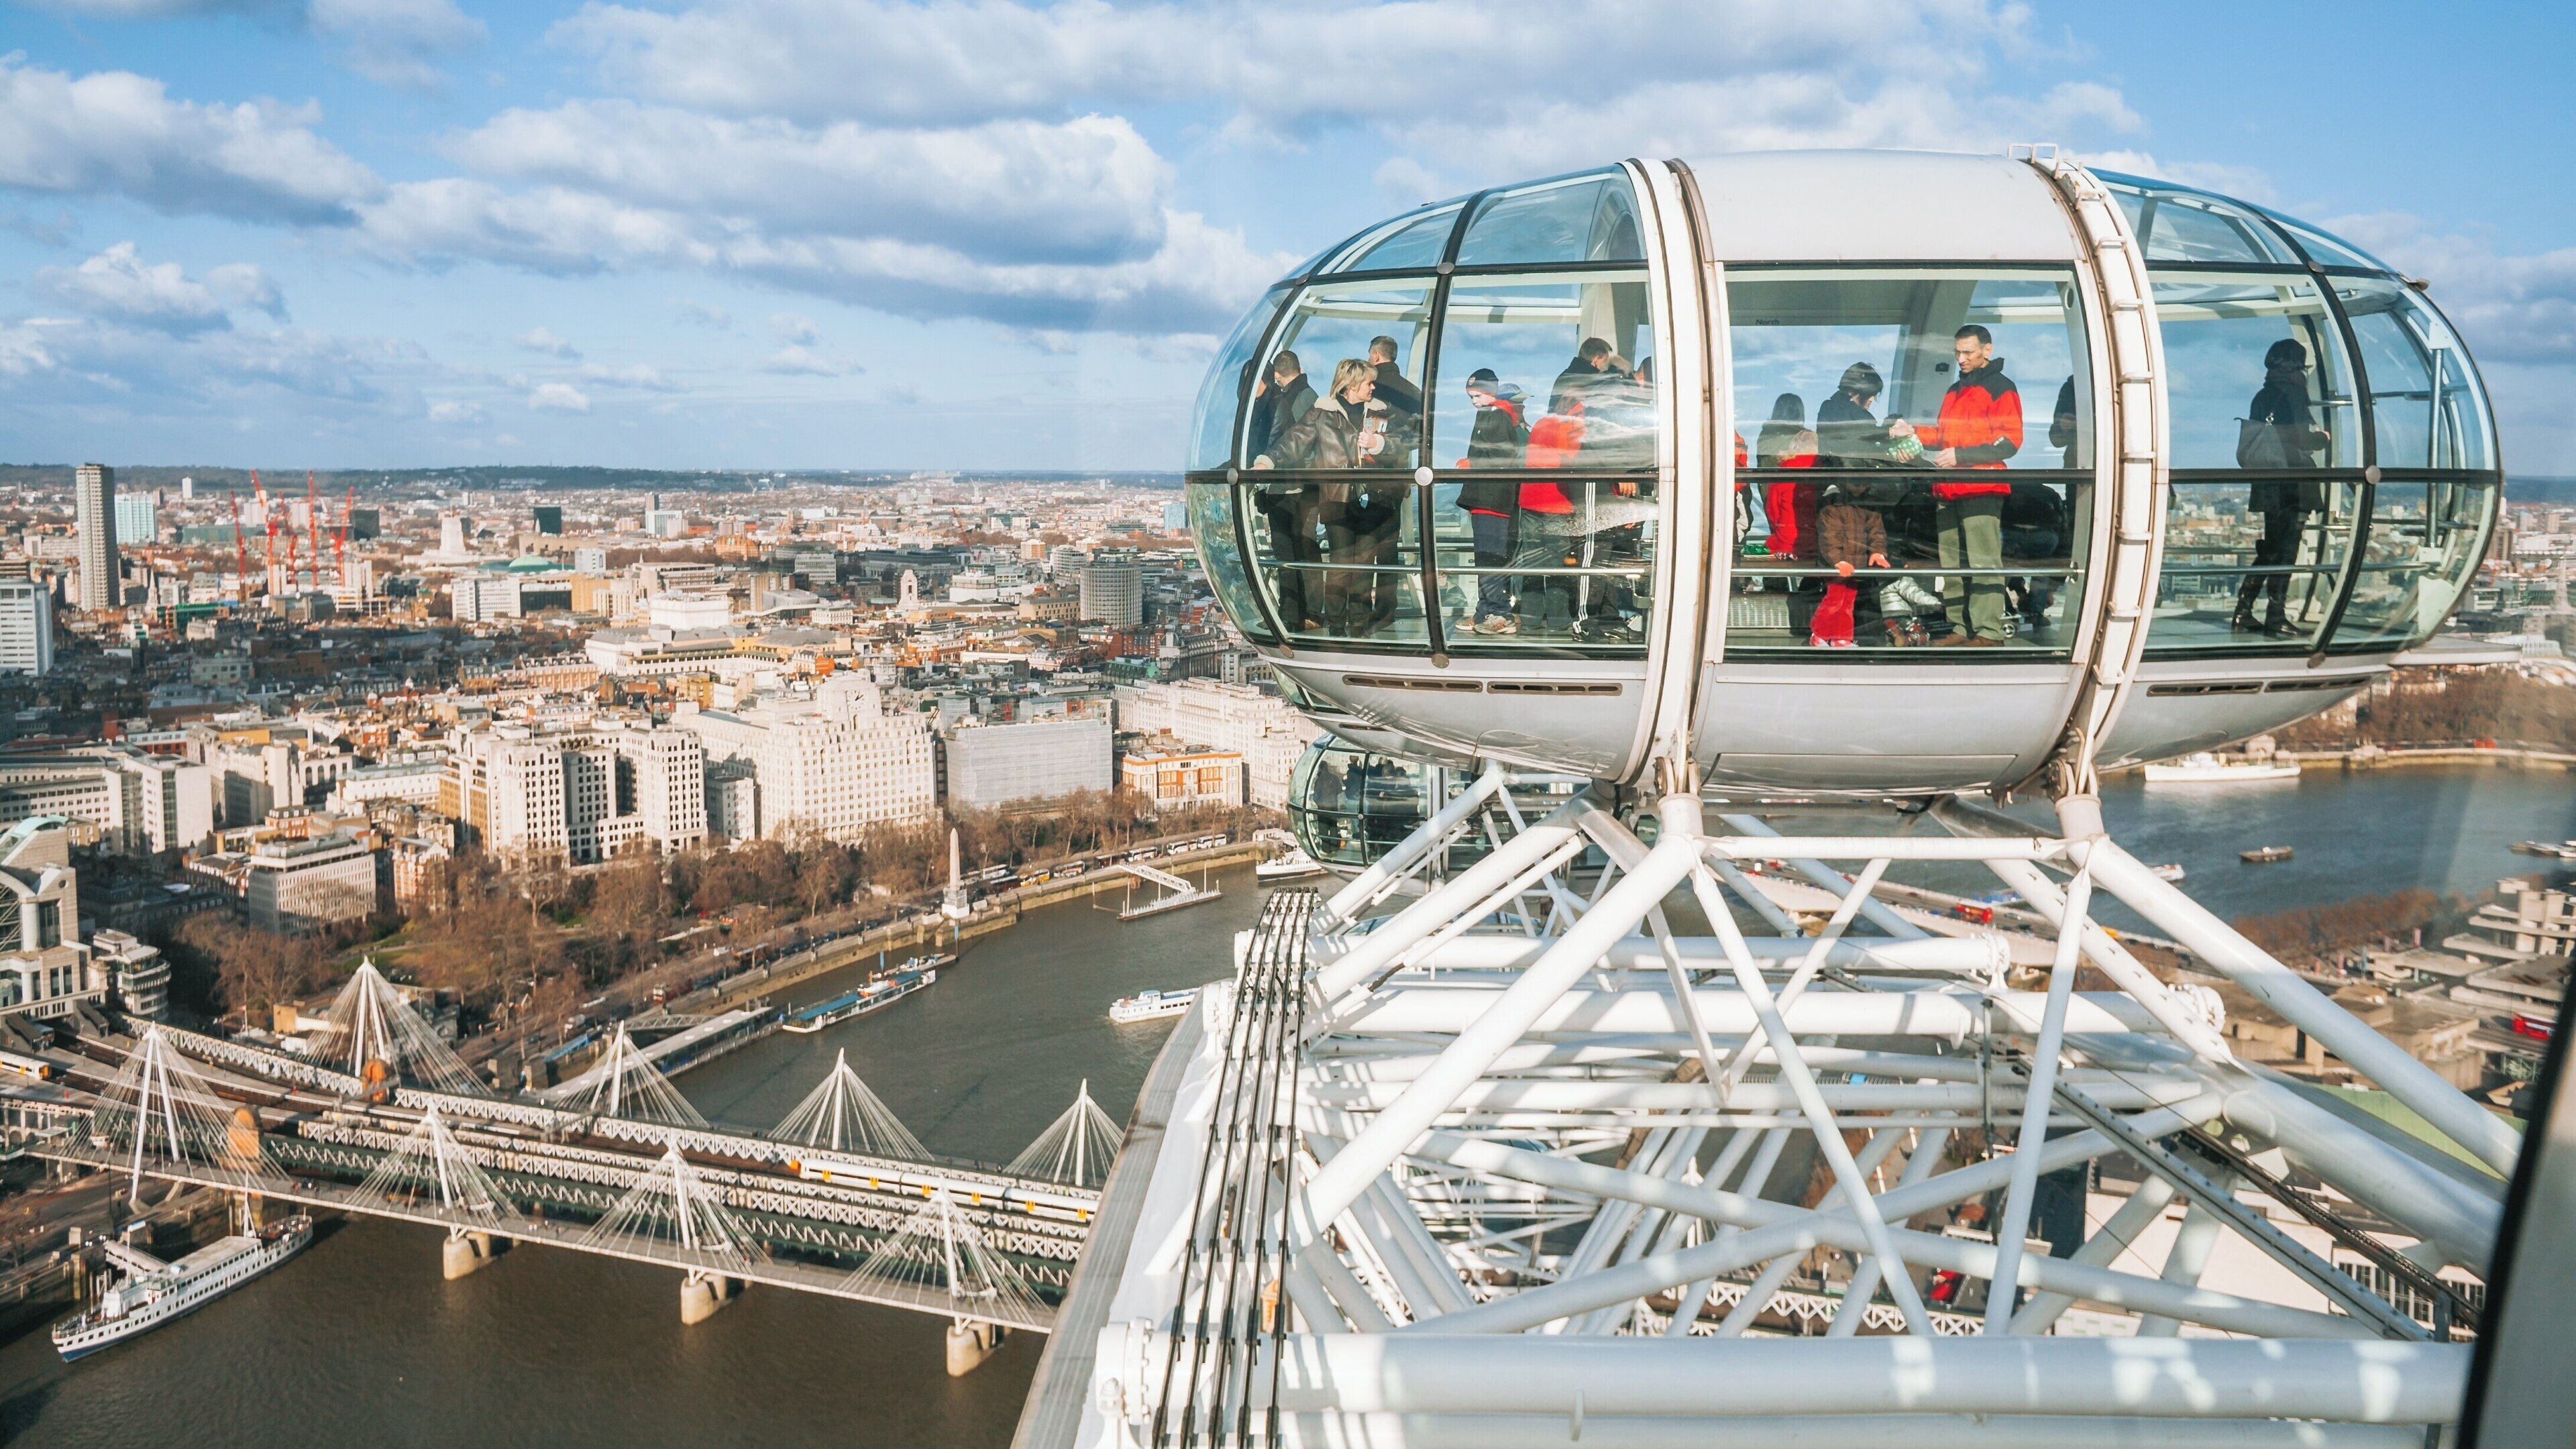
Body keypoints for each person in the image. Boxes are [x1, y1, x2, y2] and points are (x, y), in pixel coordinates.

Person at [1255, 358, 1415, 636]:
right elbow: (1293, 442)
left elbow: (1401, 447)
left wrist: (1378, 445)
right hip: (1337, 499)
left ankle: (1358, 624)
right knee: (1341, 565)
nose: (1373, 387)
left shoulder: (1381, 414)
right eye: (1368, 382)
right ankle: (1338, 625)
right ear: (1352, 385)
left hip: (1370, 499)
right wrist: (1267, 462)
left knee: (1363, 567)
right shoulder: (1321, 414)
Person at [1898, 325, 2021, 646]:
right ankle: (1961, 628)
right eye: (1957, 352)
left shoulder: (2002, 388)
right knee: (1952, 563)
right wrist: (1912, 431)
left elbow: (2009, 443)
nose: (1961, 358)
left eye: (1967, 352)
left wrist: (1960, 456)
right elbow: (1942, 436)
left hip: (1981, 488)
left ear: (1987, 350)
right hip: (1950, 488)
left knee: (1983, 562)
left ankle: (1989, 632)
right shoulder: (1954, 390)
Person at [2233, 337, 2332, 635]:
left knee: (2271, 549)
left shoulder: (2262, 395)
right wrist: (2323, 439)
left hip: (2268, 481)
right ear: (2297, 365)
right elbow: (2300, 440)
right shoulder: (2294, 393)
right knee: (2286, 550)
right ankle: (2275, 619)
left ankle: (2243, 610)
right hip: (2294, 483)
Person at [1246, 352, 1320, 629]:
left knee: (1290, 553)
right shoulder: (1305, 396)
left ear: (1275, 376)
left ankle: (1295, 614)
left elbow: (1297, 443)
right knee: (1301, 551)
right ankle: (1304, 613)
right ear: (1300, 368)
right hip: (1298, 487)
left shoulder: (1287, 402)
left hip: (1291, 488)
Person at [1454, 368, 1528, 635]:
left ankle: (1500, 614)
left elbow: (1503, 457)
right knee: (1487, 558)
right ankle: (1485, 610)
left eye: (1478, 395)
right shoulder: (1496, 415)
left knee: (1491, 558)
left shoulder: (1497, 417)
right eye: (1471, 396)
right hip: (1487, 499)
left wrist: (1473, 463)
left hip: (1492, 500)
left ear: (1491, 392)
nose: (1474, 400)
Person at [1812, 480, 1889, 648]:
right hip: (1836, 566)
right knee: (1834, 601)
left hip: (1857, 564)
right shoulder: (1832, 505)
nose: (1861, 487)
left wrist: (1878, 552)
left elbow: (1877, 532)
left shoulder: (1869, 505)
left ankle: (1841, 637)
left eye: (1863, 484)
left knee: (1847, 603)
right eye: (1856, 483)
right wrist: (1838, 560)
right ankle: (1819, 634)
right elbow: (1829, 537)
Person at [1367, 335, 1423, 417]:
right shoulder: (1415, 391)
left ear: (1376, 356)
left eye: (1370, 355)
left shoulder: (1369, 388)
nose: (1368, 360)